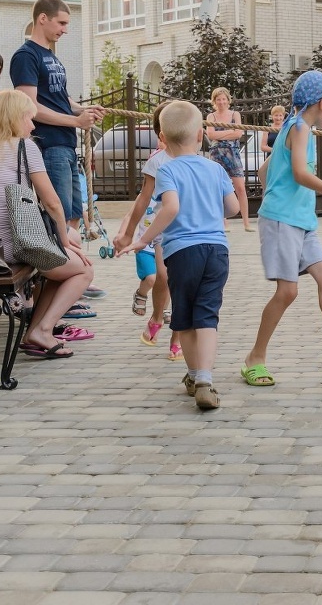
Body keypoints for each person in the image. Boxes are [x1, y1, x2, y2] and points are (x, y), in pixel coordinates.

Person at [241, 70, 322, 387]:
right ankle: (254, 359)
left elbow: (266, 170)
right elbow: (301, 174)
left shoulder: (295, 126)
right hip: (281, 221)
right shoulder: (300, 128)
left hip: (300, 221)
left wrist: (279, 186)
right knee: (287, 292)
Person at [119, 100, 238, 411]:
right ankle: (206, 380)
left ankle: (193, 375)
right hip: (216, 251)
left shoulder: (167, 169)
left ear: (163, 138)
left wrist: (141, 240)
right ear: (201, 134)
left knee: (184, 317)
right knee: (207, 315)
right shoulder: (215, 168)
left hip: (182, 252)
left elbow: (170, 208)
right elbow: (234, 208)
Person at [0, 90, 95, 359]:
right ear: (13, 119)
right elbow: (54, 203)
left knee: (56, 267)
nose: (33, 126)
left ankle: (36, 333)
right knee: (83, 271)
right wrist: (65, 243)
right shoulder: (23, 147)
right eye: (28, 119)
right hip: (10, 250)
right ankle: (43, 330)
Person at [11, 0, 104, 233]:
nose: (65, 30)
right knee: (57, 215)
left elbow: (61, 99)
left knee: (73, 215)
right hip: (49, 146)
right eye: (62, 23)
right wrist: (76, 121)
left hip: (66, 146)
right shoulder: (26, 56)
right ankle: (59, 267)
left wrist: (84, 110)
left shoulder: (52, 56)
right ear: (43, 18)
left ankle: (74, 263)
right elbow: (29, 106)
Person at [117, 103, 180, 361]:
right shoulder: (157, 161)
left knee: (181, 283)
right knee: (163, 278)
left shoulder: (197, 159)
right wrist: (128, 233)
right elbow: (143, 199)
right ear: (162, 134)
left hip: (185, 231)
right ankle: (156, 316)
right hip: (157, 230)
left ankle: (177, 338)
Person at [205, 87, 252, 232]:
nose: (221, 102)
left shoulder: (235, 114)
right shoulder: (211, 117)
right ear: (214, 101)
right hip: (216, 154)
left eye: (223, 99)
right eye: (218, 99)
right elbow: (211, 135)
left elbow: (238, 134)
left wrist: (225, 134)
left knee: (240, 188)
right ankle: (223, 223)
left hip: (233, 153)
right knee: (217, 188)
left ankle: (246, 223)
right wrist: (229, 132)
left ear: (228, 100)